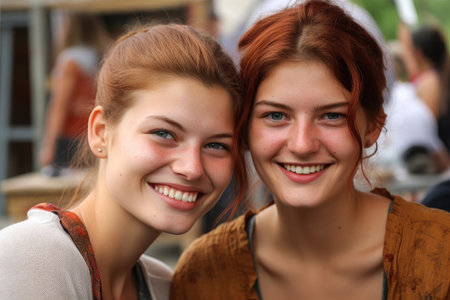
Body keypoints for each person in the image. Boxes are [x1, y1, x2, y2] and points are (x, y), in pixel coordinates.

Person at [171, 1, 450, 299]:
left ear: (373, 127)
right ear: (244, 128)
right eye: (276, 115)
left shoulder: (440, 256)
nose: (302, 145)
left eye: (332, 116)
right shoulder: (204, 275)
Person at [0, 23, 246, 300]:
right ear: (101, 132)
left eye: (216, 145)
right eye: (163, 134)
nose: (192, 168)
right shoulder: (32, 259)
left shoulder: (164, 285)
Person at [39, 13, 110, 176]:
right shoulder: (101, 57)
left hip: (70, 139)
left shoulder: (69, 61)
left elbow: (59, 106)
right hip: (94, 133)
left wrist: (49, 146)